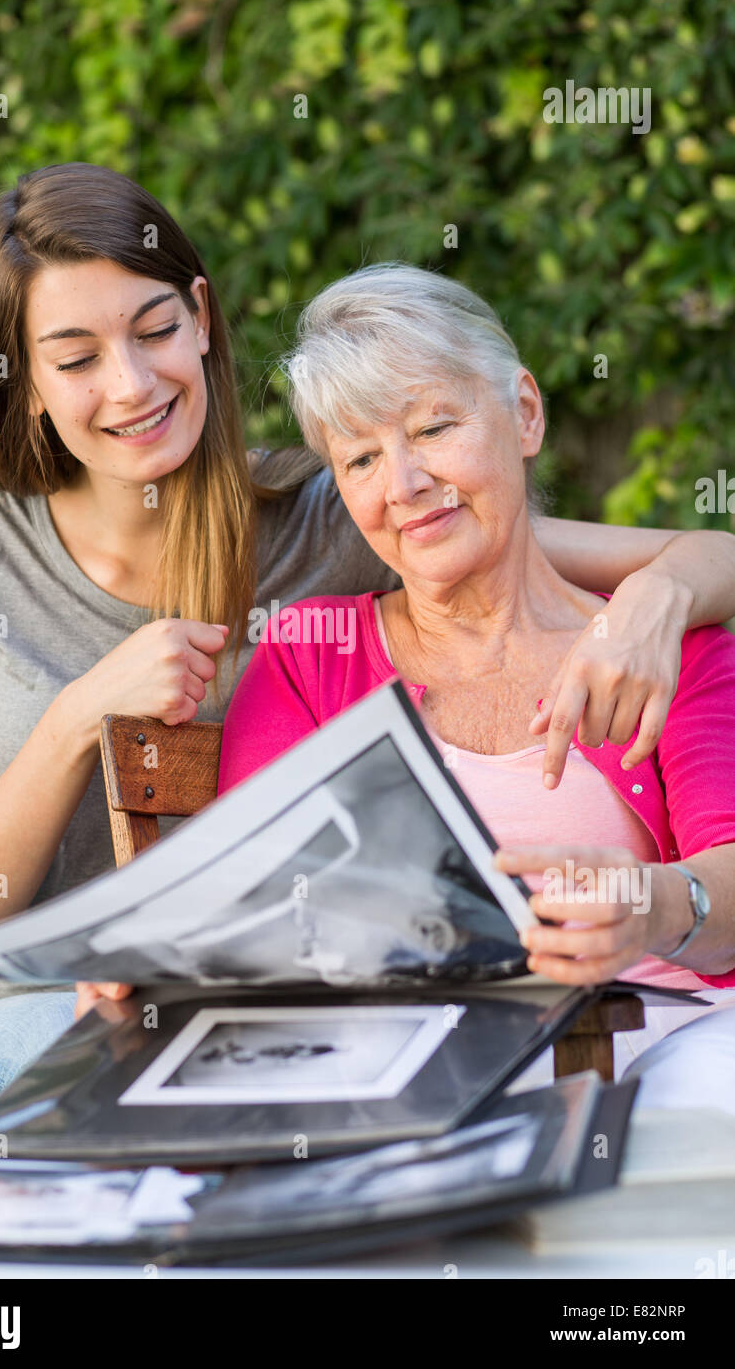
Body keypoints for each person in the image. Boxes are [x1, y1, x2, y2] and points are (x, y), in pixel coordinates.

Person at [0, 166, 735, 1158]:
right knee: (86, 1082)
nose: (131, 383)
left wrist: (658, 600)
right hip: (11, 1008)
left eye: (153, 331)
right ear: (23, 384)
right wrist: (79, 718)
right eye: (74, 358)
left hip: (208, 1010)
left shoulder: (333, 513)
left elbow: (555, 551)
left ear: (200, 317)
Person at [215, 263, 735, 1106]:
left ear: (524, 414)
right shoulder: (309, 655)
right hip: (405, 1068)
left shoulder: (659, 644)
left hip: (653, 1056)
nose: (404, 484)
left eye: (433, 427)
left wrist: (648, 905)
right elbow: (244, 894)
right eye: (360, 459)